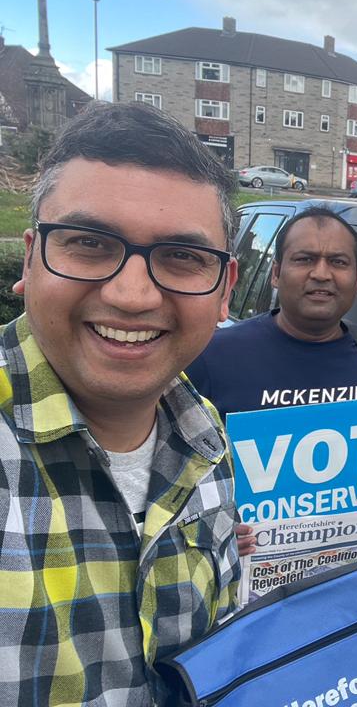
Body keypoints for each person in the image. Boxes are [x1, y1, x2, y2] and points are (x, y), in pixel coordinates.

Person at [0, 101, 241, 705]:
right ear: (30, 258)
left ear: (224, 291)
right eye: (89, 243)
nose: (132, 295)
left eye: (183, 257)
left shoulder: (205, 433)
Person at [187, 205, 357, 551]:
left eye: (338, 262)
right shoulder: (212, 354)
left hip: (351, 581)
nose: (321, 274)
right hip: (251, 589)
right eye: (305, 259)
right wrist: (213, 531)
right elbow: (180, 479)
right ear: (276, 273)